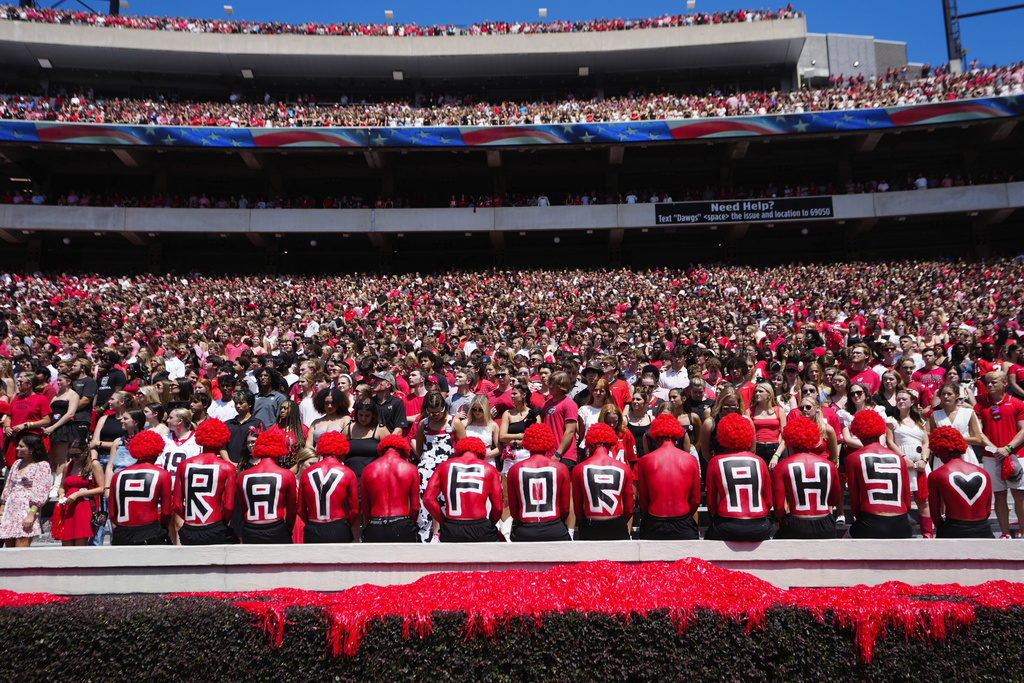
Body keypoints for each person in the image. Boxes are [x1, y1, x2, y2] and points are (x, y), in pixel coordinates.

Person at [705, 413, 773, 542]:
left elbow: (711, 503)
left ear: (723, 434)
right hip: (760, 526)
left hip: (727, 524)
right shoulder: (760, 461)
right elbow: (769, 502)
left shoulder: (715, 461)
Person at [845, 410, 913, 538]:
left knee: (845, 541)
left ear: (858, 432)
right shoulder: (899, 458)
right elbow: (908, 503)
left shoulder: (853, 458)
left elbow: (854, 502)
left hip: (870, 521)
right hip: (902, 523)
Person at [423, 436, 503, 542]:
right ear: (481, 452)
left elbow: (428, 500)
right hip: (480, 527)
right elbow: (498, 508)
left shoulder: (443, 466)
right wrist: (490, 525)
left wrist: (443, 521)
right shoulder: (489, 469)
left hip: (451, 527)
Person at [772, 417, 841, 539]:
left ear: (789, 439)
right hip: (825, 523)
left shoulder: (782, 466)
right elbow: (834, 500)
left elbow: (778, 507)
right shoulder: (829, 466)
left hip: (796, 523)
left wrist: (786, 519)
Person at [973, 371, 1024, 538]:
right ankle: (1004, 533)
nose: (989, 385)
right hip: (991, 457)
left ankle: (1023, 533)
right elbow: (978, 432)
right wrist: (996, 450)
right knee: (999, 496)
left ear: (1005, 384)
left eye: (994, 382)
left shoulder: (1017, 403)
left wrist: (1007, 449)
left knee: (1019, 495)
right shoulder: (980, 405)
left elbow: (1023, 430)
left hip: (1017, 455)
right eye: (987, 382)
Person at [635, 414, 701, 540]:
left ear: (656, 437)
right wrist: (686, 516)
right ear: (677, 437)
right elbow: (696, 500)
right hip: (683, 521)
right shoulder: (691, 459)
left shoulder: (645, 460)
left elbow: (643, 500)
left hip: (654, 521)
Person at [174, 418, 238, 546]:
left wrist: (189, 521)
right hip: (214, 526)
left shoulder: (183, 465)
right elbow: (229, 506)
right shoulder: (227, 467)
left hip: (189, 528)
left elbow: (177, 505)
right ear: (222, 440)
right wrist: (222, 524)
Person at [505, 423, 571, 541]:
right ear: (549, 442)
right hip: (554, 527)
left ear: (527, 443)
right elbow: (565, 509)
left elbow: (514, 510)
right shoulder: (560, 468)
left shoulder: (514, 470)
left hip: (525, 529)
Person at [107, 430, 173, 546]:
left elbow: (112, 514)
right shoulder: (162, 475)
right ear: (157, 451)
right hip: (150, 531)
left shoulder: (117, 476)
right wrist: (162, 528)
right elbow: (166, 512)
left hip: (122, 532)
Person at [926, 425, 994, 538]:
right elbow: (987, 510)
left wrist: (943, 529)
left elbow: (934, 512)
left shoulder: (936, 475)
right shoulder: (983, 472)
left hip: (953, 528)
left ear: (940, 450)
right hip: (983, 528)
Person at [571, 423, 633, 540]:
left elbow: (578, 510)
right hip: (616, 522)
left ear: (590, 444)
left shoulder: (578, 469)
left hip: (591, 523)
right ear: (611, 444)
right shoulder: (624, 468)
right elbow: (629, 509)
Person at [884, 389, 933, 537]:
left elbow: (926, 442)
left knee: (923, 500)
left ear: (912, 402)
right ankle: (903, 532)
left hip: (920, 465)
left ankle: (928, 533)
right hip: (902, 463)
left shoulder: (920, 421)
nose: (901, 402)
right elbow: (890, 442)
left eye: (904, 399)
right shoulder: (891, 421)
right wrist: (904, 459)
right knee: (901, 498)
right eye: (898, 399)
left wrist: (924, 460)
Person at [236, 430, 297, 544]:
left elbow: (243, 508)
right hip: (276, 527)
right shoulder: (287, 475)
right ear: (280, 450)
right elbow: (292, 510)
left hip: (251, 528)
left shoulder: (243, 476)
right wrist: (287, 529)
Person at [297, 431, 359, 543]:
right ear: (342, 450)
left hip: (313, 526)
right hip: (338, 526)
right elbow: (354, 510)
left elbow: (301, 509)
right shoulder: (348, 473)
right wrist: (343, 525)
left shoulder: (307, 473)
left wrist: (310, 524)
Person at [360, 434, 420, 542]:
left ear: (382, 449)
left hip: (375, 523)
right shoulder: (411, 469)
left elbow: (365, 506)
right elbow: (415, 507)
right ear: (402, 451)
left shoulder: (368, 469)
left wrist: (370, 523)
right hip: (402, 522)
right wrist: (411, 524)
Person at [414, 391, 456, 542]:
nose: (436, 416)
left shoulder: (454, 422)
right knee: (425, 501)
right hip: (427, 468)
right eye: (431, 413)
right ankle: (425, 535)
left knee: (445, 500)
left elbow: (463, 448)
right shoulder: (422, 424)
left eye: (439, 412)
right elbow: (419, 451)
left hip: (448, 469)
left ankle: (445, 533)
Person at [0, 434, 51, 547]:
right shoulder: (17, 463)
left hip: (26, 509)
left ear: (32, 449)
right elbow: (8, 487)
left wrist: (31, 514)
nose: (17, 448)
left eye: (21, 446)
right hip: (10, 509)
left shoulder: (42, 465)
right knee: (9, 549)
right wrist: (1, 512)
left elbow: (41, 490)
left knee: (21, 549)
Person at [55, 437, 105, 546]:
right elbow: (62, 487)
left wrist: (78, 494)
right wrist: (61, 494)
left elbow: (102, 488)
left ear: (85, 451)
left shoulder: (94, 464)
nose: (74, 458)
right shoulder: (68, 466)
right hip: (68, 506)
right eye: (70, 455)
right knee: (66, 543)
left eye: (77, 455)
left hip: (84, 506)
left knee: (80, 544)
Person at [2, 372, 51, 468]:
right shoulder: (17, 398)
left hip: (31, 437)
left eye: (21, 382)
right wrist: (7, 427)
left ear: (30, 384)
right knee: (13, 464)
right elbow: (8, 416)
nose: (18, 384)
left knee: (30, 464)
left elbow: (47, 420)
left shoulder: (41, 399)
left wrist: (27, 425)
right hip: (15, 436)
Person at [454, 394, 501, 469]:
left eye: (480, 410)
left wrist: (486, 455)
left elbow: (499, 448)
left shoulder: (493, 425)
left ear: (486, 409)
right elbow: (457, 443)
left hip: (487, 459)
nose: (477, 412)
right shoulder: (464, 423)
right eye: (474, 409)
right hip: (468, 459)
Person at [750, 382, 786, 468]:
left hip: (774, 448)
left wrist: (776, 455)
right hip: (756, 448)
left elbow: (785, 435)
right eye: (756, 392)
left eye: (761, 391)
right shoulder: (750, 411)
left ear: (769, 394)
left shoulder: (779, 410)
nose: (757, 394)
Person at [226, 389, 263, 463]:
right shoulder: (228, 424)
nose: (238, 406)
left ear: (250, 404)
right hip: (230, 464)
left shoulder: (257, 423)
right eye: (236, 403)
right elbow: (222, 447)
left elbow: (261, 446)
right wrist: (230, 463)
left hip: (250, 465)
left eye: (241, 403)